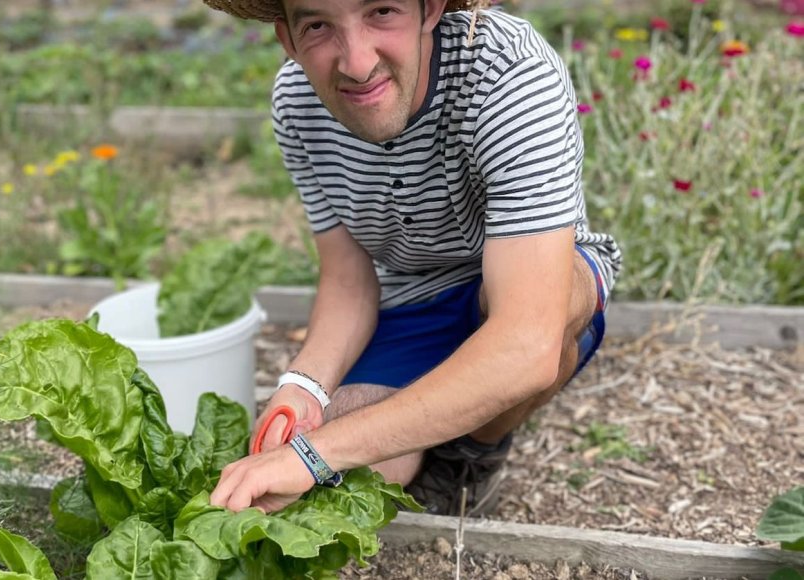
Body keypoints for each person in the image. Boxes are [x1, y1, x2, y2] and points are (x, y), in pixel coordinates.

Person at [205, 0, 622, 516]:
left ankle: (473, 453)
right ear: (287, 39)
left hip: (528, 277)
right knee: (355, 474)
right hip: (407, 295)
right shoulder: (296, 102)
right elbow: (348, 282)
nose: (356, 63)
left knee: (545, 321)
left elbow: (527, 342)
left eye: (382, 11)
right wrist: (302, 389)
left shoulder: (508, 72)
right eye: (318, 25)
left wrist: (314, 455)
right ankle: (439, 418)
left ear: (431, 9)